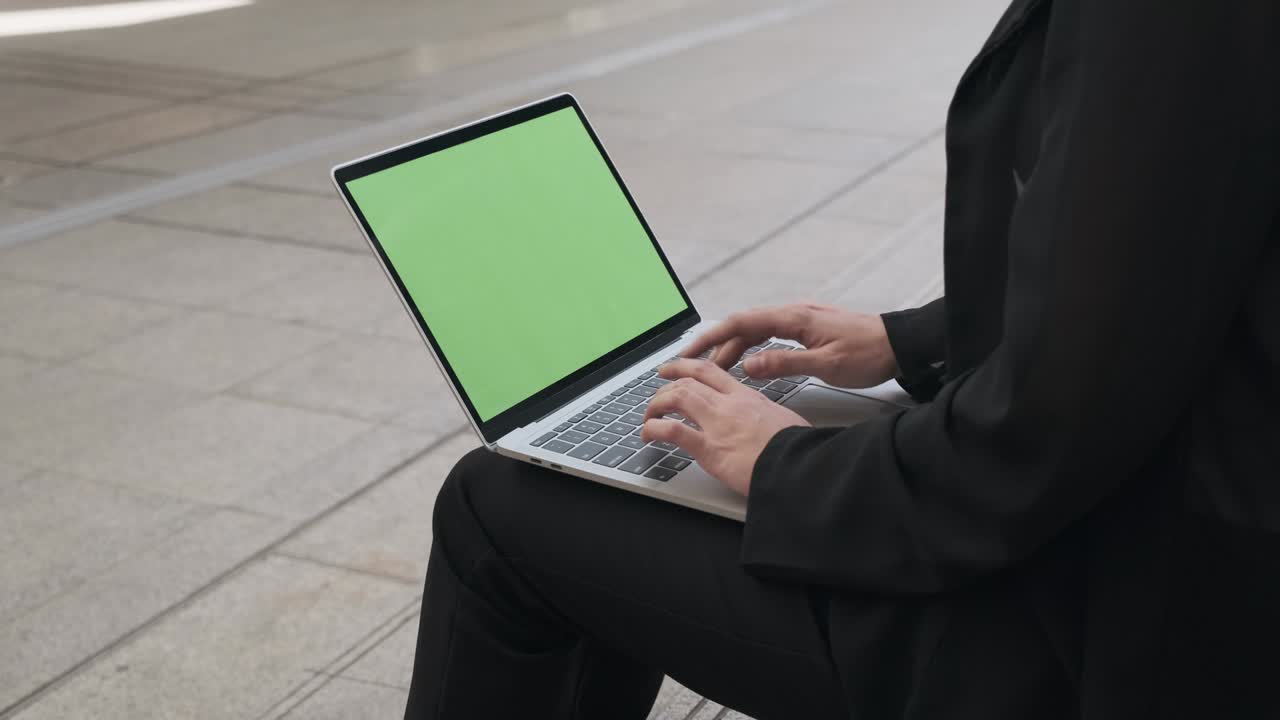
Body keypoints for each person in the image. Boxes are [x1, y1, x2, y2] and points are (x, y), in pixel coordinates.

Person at [403, 0, 1280, 717]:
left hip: (1110, 629)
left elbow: (1040, 437)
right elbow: (1175, 269)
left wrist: (787, 466)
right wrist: (912, 340)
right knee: (601, 490)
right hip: (1179, 546)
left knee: (499, 506)